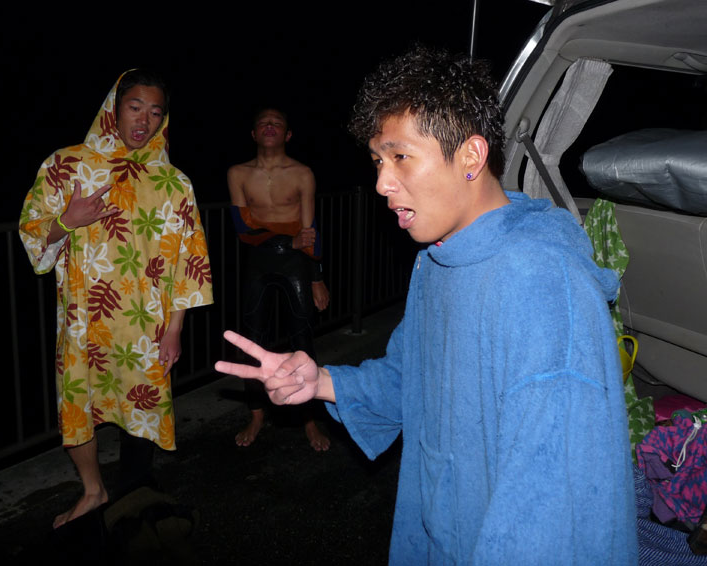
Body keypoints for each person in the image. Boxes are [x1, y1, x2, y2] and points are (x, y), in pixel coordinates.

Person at [215, 45, 638, 564]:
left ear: (471, 158)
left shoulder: (545, 286)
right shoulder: (438, 259)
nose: (381, 183)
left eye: (400, 157)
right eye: (377, 160)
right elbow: (410, 375)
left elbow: (556, 512)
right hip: (442, 526)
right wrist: (321, 382)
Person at [19, 69, 213, 528]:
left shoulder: (174, 182)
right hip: (84, 319)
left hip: (146, 323)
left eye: (155, 112)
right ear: (114, 108)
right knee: (78, 404)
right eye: (135, 107)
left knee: (141, 403)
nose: (144, 120)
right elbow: (32, 231)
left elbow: (188, 260)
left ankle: (133, 492)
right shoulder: (66, 165)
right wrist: (66, 221)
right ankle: (93, 490)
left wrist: (175, 329)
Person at [227, 108, 330, 451]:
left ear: (287, 134)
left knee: (303, 340)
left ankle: (309, 420)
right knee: (251, 341)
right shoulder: (238, 173)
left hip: (296, 265)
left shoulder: (303, 174)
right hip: (258, 263)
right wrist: (288, 240)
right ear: (254, 134)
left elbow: (310, 232)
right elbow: (243, 230)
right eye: (262, 122)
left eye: (277, 122)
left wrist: (316, 278)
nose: (269, 126)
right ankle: (256, 415)